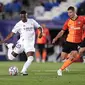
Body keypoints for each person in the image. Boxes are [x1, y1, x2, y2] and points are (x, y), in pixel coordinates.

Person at [0, 10, 43, 75]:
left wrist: (40, 33)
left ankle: (23, 71)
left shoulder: (32, 21)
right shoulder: (18, 24)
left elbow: (39, 27)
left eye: (24, 17)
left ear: (26, 15)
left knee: (30, 58)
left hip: (29, 44)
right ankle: (10, 46)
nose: (23, 18)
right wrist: (4, 40)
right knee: (11, 57)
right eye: (21, 17)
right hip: (21, 43)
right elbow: (11, 34)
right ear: (20, 16)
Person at [52, 6, 85, 76]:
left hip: (77, 43)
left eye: (70, 12)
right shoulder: (68, 21)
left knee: (74, 56)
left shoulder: (82, 19)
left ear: (74, 12)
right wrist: (55, 38)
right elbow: (62, 32)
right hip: (68, 42)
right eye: (68, 13)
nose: (69, 14)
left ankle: (60, 70)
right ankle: (68, 62)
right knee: (62, 57)